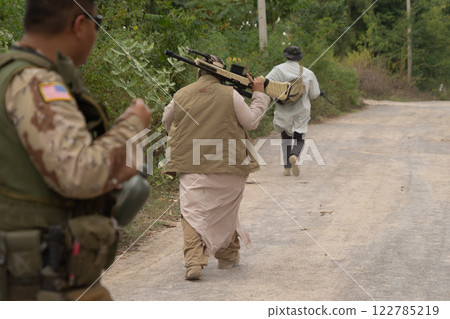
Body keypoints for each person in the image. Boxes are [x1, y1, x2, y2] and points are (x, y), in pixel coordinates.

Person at [0, 0, 151, 300]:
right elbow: (80, 172)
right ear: (80, 25)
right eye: (98, 23)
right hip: (39, 284)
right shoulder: (36, 83)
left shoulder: (10, 74)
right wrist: (133, 125)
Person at [162, 55, 270, 280]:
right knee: (225, 209)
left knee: (191, 213)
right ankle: (228, 257)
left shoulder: (181, 94)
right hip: (229, 164)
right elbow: (251, 122)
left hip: (191, 164)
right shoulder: (230, 94)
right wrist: (259, 94)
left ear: (199, 73)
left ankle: (194, 261)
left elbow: (166, 122)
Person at [266, 45, 320, 177]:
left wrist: (277, 97)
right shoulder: (308, 73)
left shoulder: (277, 70)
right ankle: (295, 155)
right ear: (299, 58)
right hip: (301, 111)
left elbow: (265, 84)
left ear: (286, 56)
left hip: (283, 110)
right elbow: (314, 94)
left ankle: (286, 168)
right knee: (299, 137)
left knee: (285, 138)